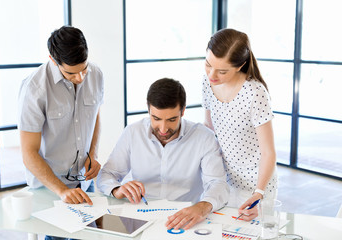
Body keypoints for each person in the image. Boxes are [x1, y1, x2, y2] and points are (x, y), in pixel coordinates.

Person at [97, 78, 229, 230]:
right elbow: (107, 174)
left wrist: (204, 206)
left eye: (172, 119)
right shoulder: (133, 132)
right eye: (156, 118)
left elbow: (218, 183)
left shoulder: (204, 137)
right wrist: (116, 189)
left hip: (184, 221)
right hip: (139, 218)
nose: (163, 129)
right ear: (148, 110)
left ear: (183, 111)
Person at [18, 26, 104, 207]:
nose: (80, 78)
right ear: (53, 61)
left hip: (84, 181)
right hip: (50, 187)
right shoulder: (34, 89)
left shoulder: (96, 74)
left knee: (91, 233)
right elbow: (28, 152)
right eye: (71, 73)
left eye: (84, 69)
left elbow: (94, 115)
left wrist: (92, 154)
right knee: (58, 236)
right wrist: (62, 190)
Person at [202, 28, 277, 221]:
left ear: (240, 66)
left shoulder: (255, 93)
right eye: (208, 64)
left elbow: (268, 152)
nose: (212, 75)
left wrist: (258, 193)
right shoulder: (207, 82)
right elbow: (209, 128)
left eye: (222, 71)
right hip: (223, 181)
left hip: (255, 186)